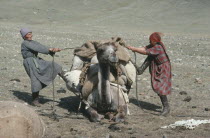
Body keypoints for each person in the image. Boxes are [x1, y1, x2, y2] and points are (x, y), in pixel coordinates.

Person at [126, 32, 172, 116]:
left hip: (163, 67)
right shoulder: (153, 46)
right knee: (150, 57)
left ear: (154, 41)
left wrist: (133, 48)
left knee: (160, 86)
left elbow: (144, 51)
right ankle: (141, 69)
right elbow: (144, 48)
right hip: (159, 65)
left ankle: (166, 107)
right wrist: (132, 48)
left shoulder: (158, 47)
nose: (149, 42)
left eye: (151, 40)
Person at [20, 28, 64, 106]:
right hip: (30, 62)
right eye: (29, 34)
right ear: (25, 36)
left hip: (36, 60)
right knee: (35, 79)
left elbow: (41, 46)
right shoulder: (25, 43)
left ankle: (66, 77)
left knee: (54, 65)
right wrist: (50, 49)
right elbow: (38, 48)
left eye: (31, 33)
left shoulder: (33, 42)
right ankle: (34, 100)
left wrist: (53, 50)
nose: (31, 35)